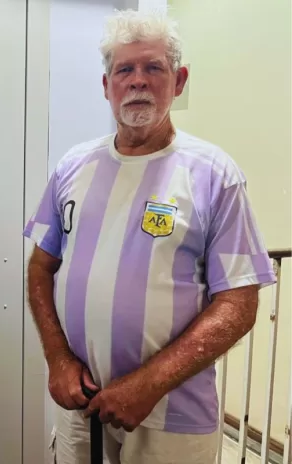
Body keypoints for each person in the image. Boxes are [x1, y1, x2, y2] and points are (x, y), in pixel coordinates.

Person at [23, 9, 277, 464]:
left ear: (179, 81)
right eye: (125, 70)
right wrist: (57, 359)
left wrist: (148, 384)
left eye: (153, 68)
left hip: (171, 416)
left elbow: (239, 303)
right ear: (107, 86)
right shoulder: (73, 167)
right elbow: (41, 267)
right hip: (81, 405)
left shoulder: (215, 175)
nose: (138, 80)